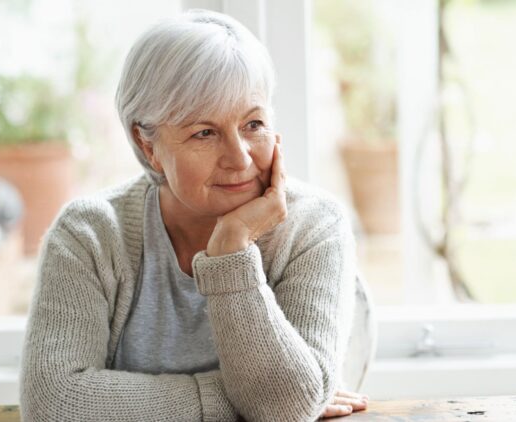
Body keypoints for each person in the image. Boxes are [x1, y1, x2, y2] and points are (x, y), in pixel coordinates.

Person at [19, 9, 367, 421]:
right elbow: (53, 403)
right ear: (148, 145)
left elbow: (285, 410)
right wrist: (235, 401)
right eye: (204, 132)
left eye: (253, 123)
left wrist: (231, 250)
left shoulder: (315, 226)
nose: (239, 158)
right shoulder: (88, 234)